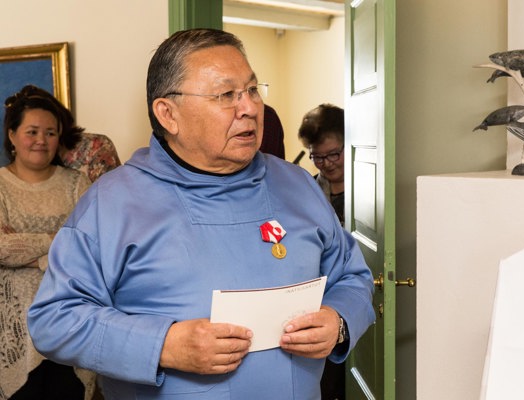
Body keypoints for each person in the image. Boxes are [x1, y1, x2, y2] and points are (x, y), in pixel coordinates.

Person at [27, 28, 375, 400]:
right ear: (168, 114)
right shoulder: (112, 203)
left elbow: (353, 277)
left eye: (252, 90)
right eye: (226, 95)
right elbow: (54, 319)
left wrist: (338, 320)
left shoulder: (299, 185)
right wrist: (163, 345)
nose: (249, 108)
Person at [0, 85, 93, 399]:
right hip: (12, 329)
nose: (41, 140)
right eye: (32, 131)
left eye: (50, 133)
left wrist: (27, 249)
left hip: (71, 321)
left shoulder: (78, 184)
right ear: (12, 135)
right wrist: (59, 240)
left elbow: (90, 248)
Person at [298, 103, 346, 399]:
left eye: (334, 154)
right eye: (317, 157)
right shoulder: (310, 191)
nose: (326, 164)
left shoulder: (370, 187)